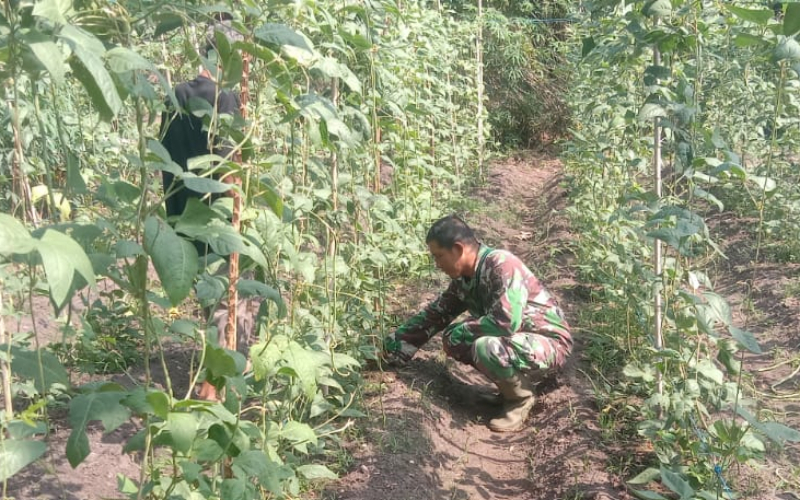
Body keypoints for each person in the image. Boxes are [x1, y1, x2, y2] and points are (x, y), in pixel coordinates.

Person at [383, 215, 573, 432]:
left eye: (439, 256)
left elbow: (505, 323)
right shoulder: (464, 279)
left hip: (549, 343)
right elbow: (435, 315)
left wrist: (463, 330)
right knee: (455, 339)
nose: (437, 264)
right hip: (520, 342)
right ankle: (506, 389)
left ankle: (520, 398)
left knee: (484, 346)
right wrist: (391, 347)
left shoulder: (501, 264)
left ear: (458, 249)